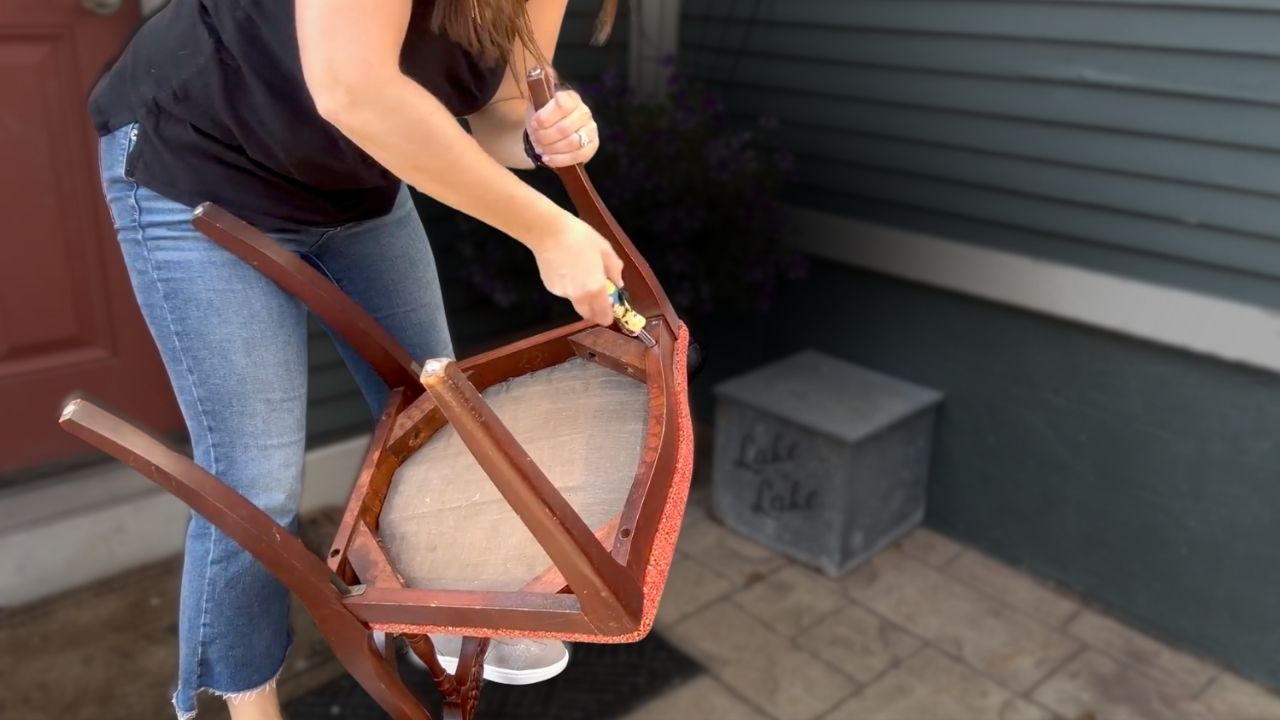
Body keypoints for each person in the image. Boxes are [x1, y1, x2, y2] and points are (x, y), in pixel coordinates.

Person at [89, 1, 622, 718]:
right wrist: (545, 231)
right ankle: (249, 707)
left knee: (434, 417)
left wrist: (541, 130)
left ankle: (428, 610)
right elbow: (353, 87)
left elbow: (499, 107)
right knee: (256, 481)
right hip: (200, 161)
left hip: (354, 188)